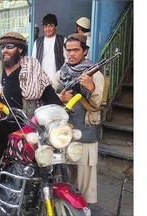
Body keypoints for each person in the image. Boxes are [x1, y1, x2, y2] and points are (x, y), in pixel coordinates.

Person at [0, 31, 63, 216]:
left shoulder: (33, 71)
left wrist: (61, 111)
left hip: (28, 123)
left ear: (20, 49)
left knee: (49, 152)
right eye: (2, 47)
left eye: (9, 47)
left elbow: (50, 96)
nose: (5, 51)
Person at [51, 33, 104, 205]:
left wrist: (91, 87)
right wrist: (60, 98)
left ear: (85, 51)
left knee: (84, 183)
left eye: (76, 50)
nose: (71, 54)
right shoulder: (61, 74)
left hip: (85, 133)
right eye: (68, 50)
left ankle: (83, 209)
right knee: (63, 176)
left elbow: (98, 104)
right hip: (63, 135)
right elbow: (50, 100)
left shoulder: (95, 75)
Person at [32, 13, 66, 80]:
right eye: (45, 26)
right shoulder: (38, 42)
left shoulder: (63, 40)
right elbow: (34, 61)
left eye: (50, 26)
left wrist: (61, 74)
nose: (47, 29)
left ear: (56, 27)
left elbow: (67, 60)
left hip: (57, 79)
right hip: (41, 79)